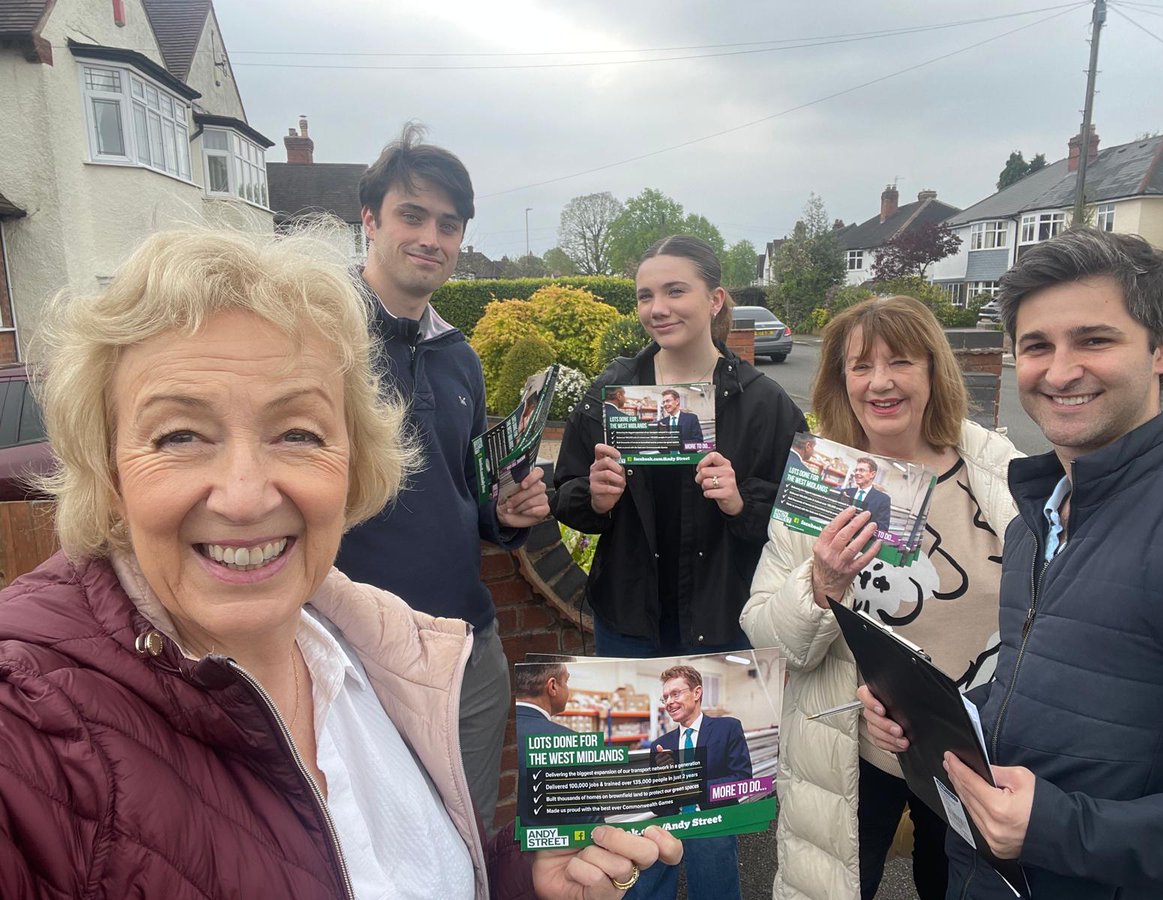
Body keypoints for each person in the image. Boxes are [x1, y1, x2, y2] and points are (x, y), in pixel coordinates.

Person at [0, 229, 682, 899]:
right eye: (180, 435)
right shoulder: (32, 725)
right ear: (108, 468)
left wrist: (523, 883)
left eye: (298, 432)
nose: (244, 497)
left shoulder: (379, 661)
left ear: (354, 463)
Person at [860, 229, 1163, 899]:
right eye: (1038, 346)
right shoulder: (1034, 521)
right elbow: (1040, 696)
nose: (1060, 370)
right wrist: (931, 718)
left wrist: (1057, 828)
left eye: (1094, 340)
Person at [742, 295, 1021, 900]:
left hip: (976, 756)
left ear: (932, 372)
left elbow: (1051, 610)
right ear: (840, 381)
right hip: (854, 753)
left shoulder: (996, 471)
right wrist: (820, 585)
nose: (880, 383)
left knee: (956, 887)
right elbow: (766, 635)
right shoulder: (823, 481)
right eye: (861, 366)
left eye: (900, 362)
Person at [552, 234, 805, 900]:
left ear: (715, 299)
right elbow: (568, 493)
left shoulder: (764, 402)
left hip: (719, 624)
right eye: (645, 295)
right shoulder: (612, 391)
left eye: (675, 291)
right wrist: (596, 499)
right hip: (629, 623)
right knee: (635, 803)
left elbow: (799, 518)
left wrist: (739, 502)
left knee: (714, 812)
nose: (657, 308)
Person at [333, 124, 549, 835]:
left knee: (467, 844)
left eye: (448, 224)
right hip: (353, 657)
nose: (431, 237)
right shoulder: (316, 340)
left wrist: (504, 514)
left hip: (467, 647)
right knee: (369, 852)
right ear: (370, 220)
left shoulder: (460, 356)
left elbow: (467, 492)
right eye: (412, 215)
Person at [652, 665, 751, 811]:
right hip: (678, 827)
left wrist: (695, 789)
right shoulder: (660, 745)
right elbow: (655, 804)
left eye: (675, 694)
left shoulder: (727, 729)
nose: (668, 702)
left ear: (696, 693)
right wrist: (665, 783)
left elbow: (743, 781)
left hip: (719, 823)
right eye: (665, 697)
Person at [514, 662, 583, 827]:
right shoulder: (568, 741)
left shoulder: (497, 728)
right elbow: (584, 825)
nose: (568, 689)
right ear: (552, 686)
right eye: (566, 682)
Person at [836, 456, 893, 534]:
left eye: (861, 470)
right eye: (856, 470)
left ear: (872, 474)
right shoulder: (846, 493)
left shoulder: (883, 499)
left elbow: (882, 528)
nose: (857, 473)